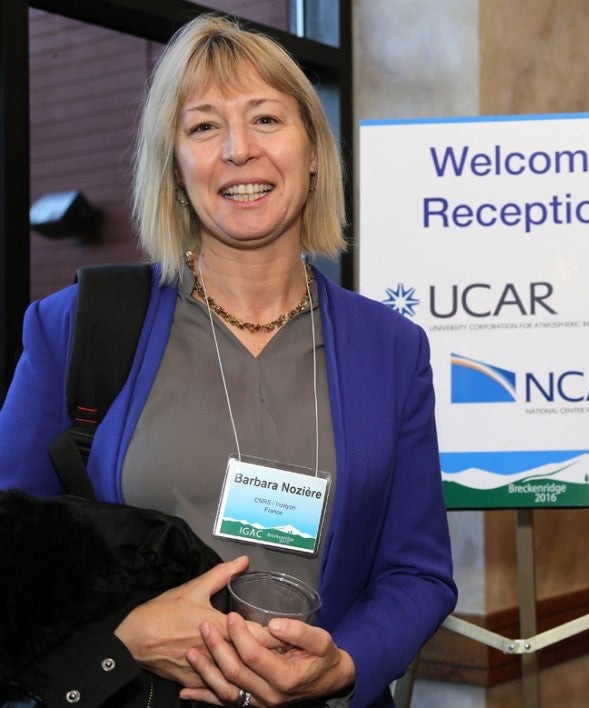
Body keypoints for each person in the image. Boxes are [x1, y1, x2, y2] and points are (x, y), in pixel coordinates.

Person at [0, 13, 456, 708]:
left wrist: (343, 666)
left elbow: (417, 572)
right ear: (176, 166)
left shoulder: (391, 348)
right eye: (205, 127)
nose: (239, 150)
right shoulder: (76, 329)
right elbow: (9, 554)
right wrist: (121, 641)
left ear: (313, 149)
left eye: (266, 119)